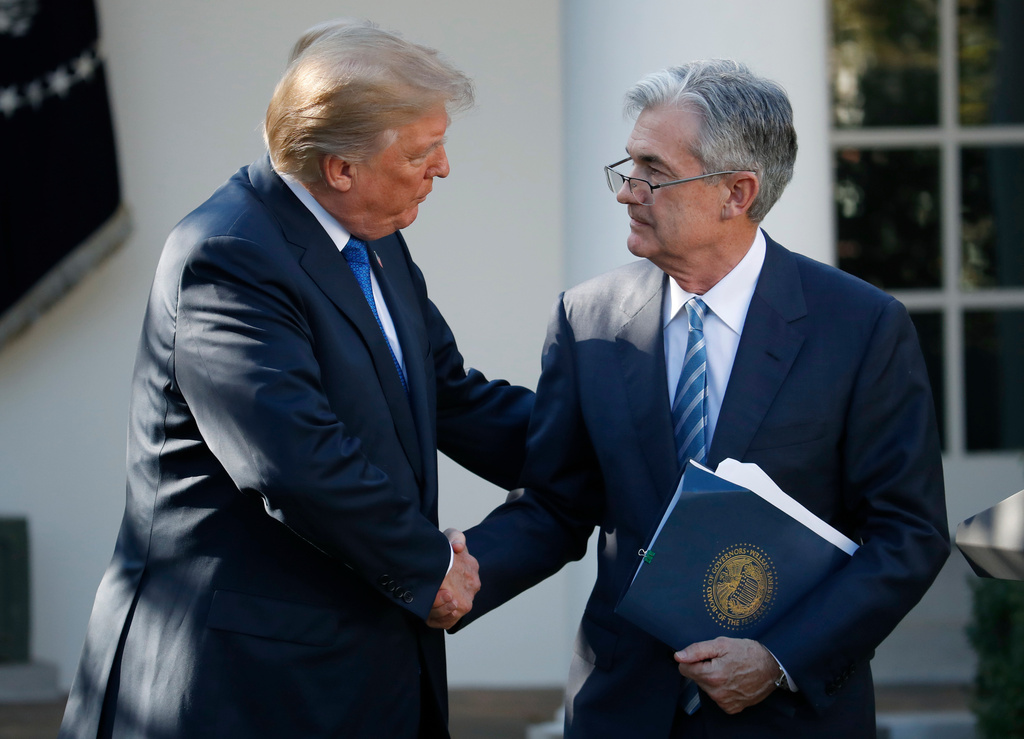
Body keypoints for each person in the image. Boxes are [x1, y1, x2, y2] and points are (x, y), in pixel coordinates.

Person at [442, 60, 950, 737]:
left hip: (789, 713)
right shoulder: (587, 317)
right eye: (628, 165)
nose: (628, 191)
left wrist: (778, 658)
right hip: (622, 709)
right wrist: (449, 574)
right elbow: (558, 504)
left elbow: (908, 534)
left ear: (737, 193)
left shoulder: (859, 326)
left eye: (653, 169)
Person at [58, 20, 533, 739]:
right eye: (422, 150)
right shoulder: (227, 254)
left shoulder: (377, 244)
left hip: (354, 674)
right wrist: (430, 564)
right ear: (340, 168)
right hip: (237, 683)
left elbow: (452, 395)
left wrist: (609, 442)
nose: (442, 168)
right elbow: (296, 460)